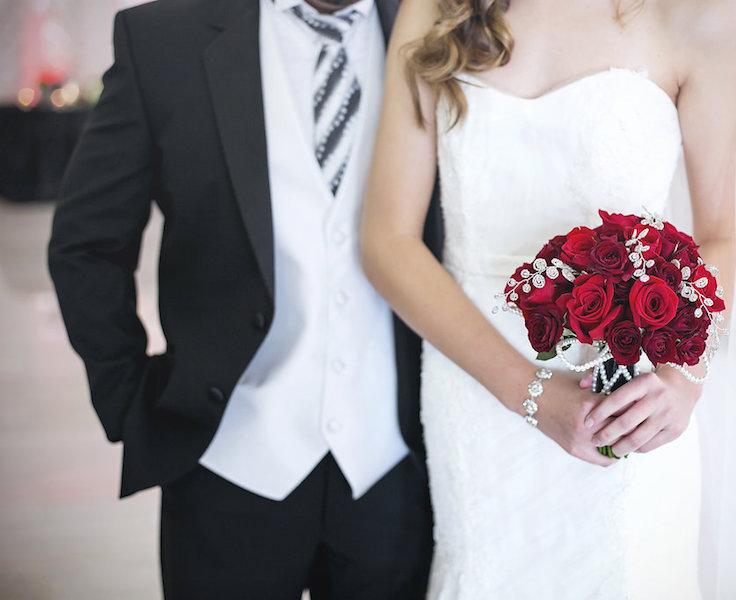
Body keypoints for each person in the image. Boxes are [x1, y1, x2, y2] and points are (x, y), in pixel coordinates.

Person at [362, 0, 736, 598]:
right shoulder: (435, 8)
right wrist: (528, 393)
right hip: (475, 395)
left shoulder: (696, 15)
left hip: (630, 398)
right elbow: (388, 241)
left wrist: (684, 377)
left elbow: (720, 234)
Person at [47, 0, 441, 597]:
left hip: (395, 471)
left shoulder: (447, 35)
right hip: (226, 467)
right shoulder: (162, 38)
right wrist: (128, 398)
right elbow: (88, 243)